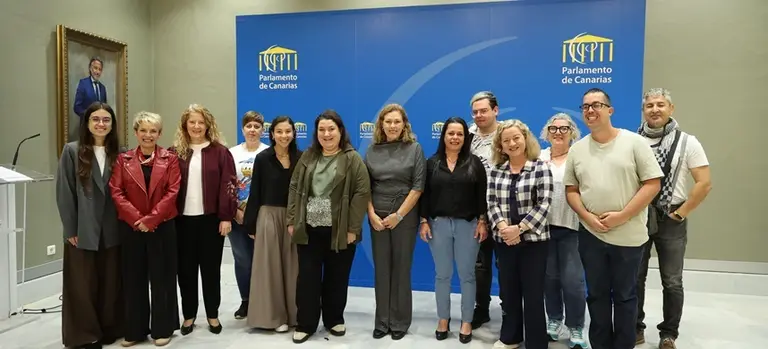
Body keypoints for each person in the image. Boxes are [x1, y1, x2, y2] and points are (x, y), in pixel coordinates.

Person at [564, 88, 663, 349]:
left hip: (628, 237)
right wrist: (587, 216)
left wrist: (622, 216)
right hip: (591, 236)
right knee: (596, 296)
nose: (590, 110)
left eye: (597, 105)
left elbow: (652, 184)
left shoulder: (635, 143)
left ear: (610, 110)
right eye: (585, 106)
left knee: (625, 296)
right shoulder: (577, 149)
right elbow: (571, 190)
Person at [635, 88, 712, 349]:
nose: (655, 109)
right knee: (635, 277)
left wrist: (681, 213)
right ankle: (635, 328)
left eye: (660, 105)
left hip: (672, 216)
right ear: (643, 110)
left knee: (672, 280)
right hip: (638, 216)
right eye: (649, 105)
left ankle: (669, 334)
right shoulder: (632, 141)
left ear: (671, 108)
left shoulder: (688, 142)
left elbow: (704, 183)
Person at [287, 110, 371, 344]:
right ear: (316, 133)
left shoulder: (352, 158)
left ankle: (334, 319)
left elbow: (361, 193)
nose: (326, 134)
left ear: (340, 131)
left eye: (331, 129)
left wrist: (353, 228)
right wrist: (292, 220)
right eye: (322, 130)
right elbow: (294, 187)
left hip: (341, 230)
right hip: (309, 229)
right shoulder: (308, 157)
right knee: (307, 279)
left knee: (337, 278)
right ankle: (306, 323)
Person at [109, 111, 181, 347]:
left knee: (162, 279)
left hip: (162, 226)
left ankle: (163, 328)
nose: (148, 135)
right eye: (143, 130)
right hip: (132, 228)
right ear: (136, 133)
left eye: (153, 131)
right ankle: (135, 330)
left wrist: (151, 220)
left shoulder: (169, 159)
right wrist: (138, 220)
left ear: (159, 134)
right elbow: (116, 192)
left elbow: (173, 192)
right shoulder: (124, 159)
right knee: (133, 279)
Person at [56, 102, 123, 349]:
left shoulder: (121, 152)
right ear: (86, 122)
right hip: (83, 229)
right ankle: (84, 334)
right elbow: (65, 193)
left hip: (113, 229)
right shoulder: (72, 151)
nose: (101, 124)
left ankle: (109, 328)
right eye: (96, 119)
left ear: (112, 124)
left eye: (106, 120)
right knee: (82, 285)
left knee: (111, 283)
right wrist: (70, 229)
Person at [419, 117, 487, 344]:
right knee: (442, 275)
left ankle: (466, 320)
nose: (455, 138)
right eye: (451, 133)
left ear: (465, 137)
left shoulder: (474, 163)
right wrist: (424, 221)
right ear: (444, 136)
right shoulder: (432, 163)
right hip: (438, 225)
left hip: (468, 226)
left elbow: (481, 196)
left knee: (467, 275)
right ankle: (443, 319)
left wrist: (482, 221)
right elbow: (425, 195)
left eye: (459, 134)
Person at [171, 104, 238, 335]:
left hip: (211, 221)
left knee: (211, 270)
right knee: (186, 271)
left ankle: (212, 315)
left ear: (208, 125)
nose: (197, 126)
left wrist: (226, 217)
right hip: (182, 222)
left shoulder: (221, 152)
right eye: (192, 122)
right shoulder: (174, 152)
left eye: (201, 122)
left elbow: (229, 186)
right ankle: (189, 315)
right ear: (185, 125)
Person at [487, 120, 553, 349]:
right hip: (505, 241)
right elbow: (491, 203)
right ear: (500, 146)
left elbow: (544, 204)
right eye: (506, 141)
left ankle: (536, 343)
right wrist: (504, 228)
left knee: (533, 294)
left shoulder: (540, 167)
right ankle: (511, 337)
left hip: (534, 242)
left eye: (516, 138)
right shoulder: (496, 171)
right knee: (509, 291)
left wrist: (520, 229)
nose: (512, 143)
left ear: (525, 139)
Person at [364, 103, 426, 340]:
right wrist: (371, 214)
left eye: (396, 121)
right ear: (381, 125)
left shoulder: (415, 148)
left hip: (404, 217)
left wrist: (398, 215)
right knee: (382, 270)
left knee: (401, 270)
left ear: (404, 125)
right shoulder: (371, 151)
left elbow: (418, 186)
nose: (392, 126)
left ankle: (399, 322)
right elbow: (365, 186)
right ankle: (382, 321)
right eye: (388, 122)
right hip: (377, 217)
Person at [243, 116, 302, 332]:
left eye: (288, 131)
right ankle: (274, 318)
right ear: (272, 134)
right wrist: (251, 224)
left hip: (294, 217)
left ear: (294, 133)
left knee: (293, 267)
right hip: (268, 217)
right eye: (279, 131)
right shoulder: (262, 158)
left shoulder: (302, 158)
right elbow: (255, 192)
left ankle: (295, 314)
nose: (284, 136)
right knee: (270, 268)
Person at [539, 113, 588, 348]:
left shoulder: (580, 157)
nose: (558, 132)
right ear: (547, 133)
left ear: (573, 132)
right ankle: (554, 321)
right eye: (553, 128)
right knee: (549, 279)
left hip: (573, 228)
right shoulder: (538, 158)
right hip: (544, 229)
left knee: (573, 281)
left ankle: (576, 327)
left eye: (564, 128)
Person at [228, 111, 270, 320]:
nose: (252, 130)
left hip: (262, 218)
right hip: (237, 217)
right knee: (243, 259)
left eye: (257, 126)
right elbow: (226, 185)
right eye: (249, 126)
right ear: (242, 129)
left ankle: (263, 301)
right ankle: (246, 301)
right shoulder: (231, 153)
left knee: (263, 260)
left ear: (263, 130)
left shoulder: (269, 153)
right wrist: (235, 211)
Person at [467, 90, 501, 329]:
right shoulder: (466, 135)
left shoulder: (508, 134)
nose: (479, 115)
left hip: (504, 209)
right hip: (474, 209)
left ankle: (510, 308)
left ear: (495, 110)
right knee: (478, 264)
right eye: (475, 111)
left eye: (484, 111)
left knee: (506, 263)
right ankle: (481, 308)